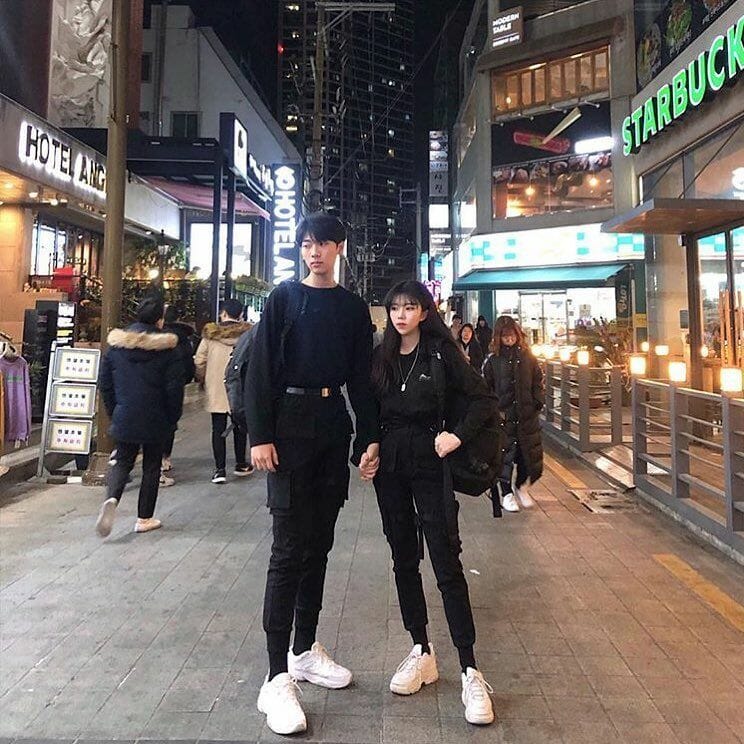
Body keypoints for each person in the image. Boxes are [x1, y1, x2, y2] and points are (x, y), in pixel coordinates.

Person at [246, 212, 379, 736]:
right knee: (287, 551)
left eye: (323, 243)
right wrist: (260, 435)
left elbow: (361, 379)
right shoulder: (283, 298)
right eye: (307, 244)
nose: (314, 252)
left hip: (330, 428)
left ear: (339, 247)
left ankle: (304, 650)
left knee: (319, 546)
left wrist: (368, 436)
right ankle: (275, 675)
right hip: (288, 428)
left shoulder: (351, 308)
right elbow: (260, 370)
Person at [363, 279, 495, 726]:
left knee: (446, 562)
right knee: (403, 559)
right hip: (391, 468)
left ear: (424, 312)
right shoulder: (381, 356)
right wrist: (369, 449)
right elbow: (371, 413)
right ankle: (421, 649)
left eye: (409, 307)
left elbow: (482, 400)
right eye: (394, 308)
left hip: (431, 463)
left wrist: (455, 436)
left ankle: (470, 668)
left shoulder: (441, 353)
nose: (401, 315)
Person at [95, 296, 184, 537]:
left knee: (123, 460)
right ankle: (144, 518)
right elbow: (174, 389)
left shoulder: (116, 348)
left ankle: (112, 497)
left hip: (125, 413)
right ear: (160, 320)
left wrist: (115, 411)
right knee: (152, 466)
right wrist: (172, 417)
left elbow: (105, 384)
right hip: (157, 416)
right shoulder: (168, 350)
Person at [482, 316, 544, 513]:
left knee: (527, 457)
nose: (509, 339)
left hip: (526, 416)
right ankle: (506, 493)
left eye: (512, 336)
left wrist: (537, 402)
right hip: (503, 418)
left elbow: (537, 381)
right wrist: (492, 411)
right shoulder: (492, 360)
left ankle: (522, 486)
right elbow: (485, 387)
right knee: (504, 457)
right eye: (505, 336)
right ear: (498, 337)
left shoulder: (528, 357)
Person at [194, 298, 253, 484]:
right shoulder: (248, 335)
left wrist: (203, 378)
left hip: (216, 387)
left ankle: (220, 470)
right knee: (240, 426)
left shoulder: (210, 335)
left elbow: (199, 360)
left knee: (218, 429)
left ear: (224, 314)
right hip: (240, 388)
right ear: (241, 315)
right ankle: (241, 464)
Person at [161, 304, 196, 476]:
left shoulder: (154, 335)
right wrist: (185, 379)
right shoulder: (183, 337)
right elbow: (189, 362)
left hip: (154, 384)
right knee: (170, 421)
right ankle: (165, 457)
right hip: (175, 383)